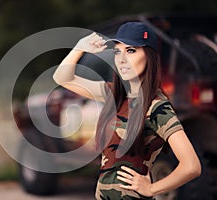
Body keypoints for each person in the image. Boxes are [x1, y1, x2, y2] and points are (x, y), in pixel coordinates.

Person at [53, 21, 201, 199]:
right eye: (117, 51)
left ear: (149, 56)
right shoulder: (114, 95)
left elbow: (191, 166)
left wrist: (152, 189)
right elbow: (62, 77)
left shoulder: (156, 107)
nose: (122, 59)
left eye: (130, 50)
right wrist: (79, 48)